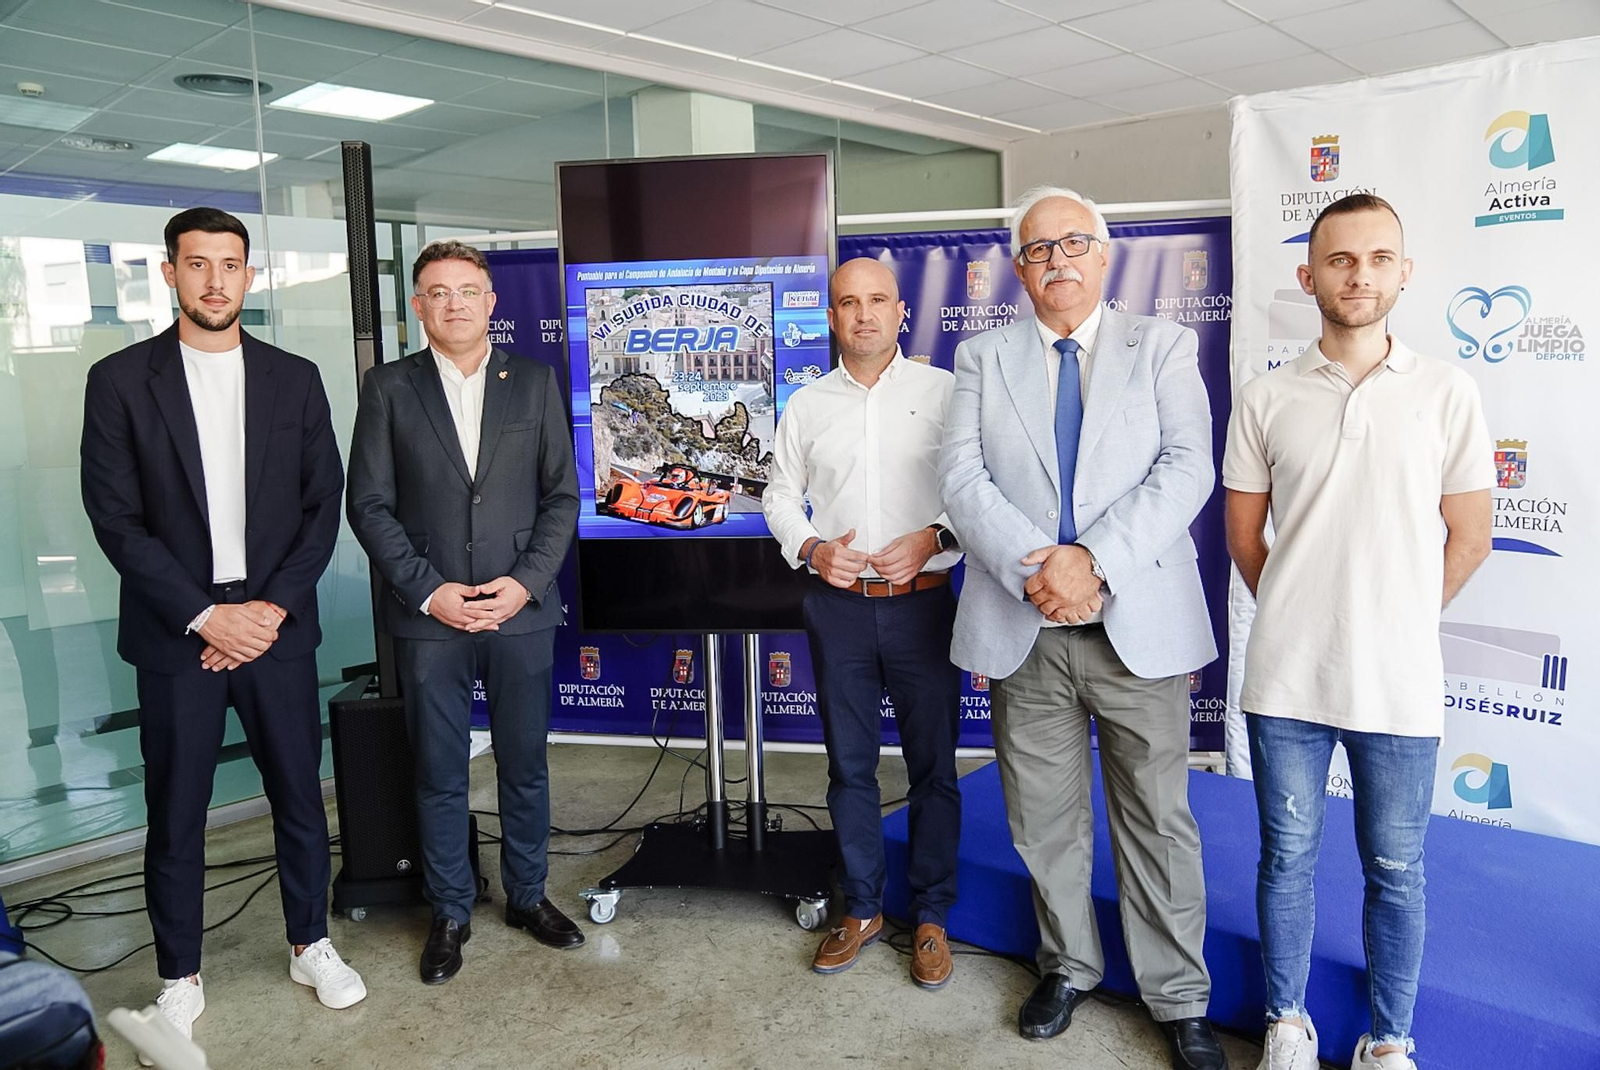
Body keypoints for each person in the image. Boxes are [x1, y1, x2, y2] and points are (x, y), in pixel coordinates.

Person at [940, 186, 1223, 1070]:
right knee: (1043, 819)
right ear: (1018, 268)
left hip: (1134, 618)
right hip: (1024, 623)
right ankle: (1068, 966)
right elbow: (960, 478)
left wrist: (1091, 561)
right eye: (1037, 249)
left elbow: (1187, 469)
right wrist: (1044, 569)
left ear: (1104, 257)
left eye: (1073, 244)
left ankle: (1178, 999)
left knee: (1158, 818)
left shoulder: (1165, 346)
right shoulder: (982, 355)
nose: (1056, 260)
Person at [79, 207, 364, 1051]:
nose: (214, 280)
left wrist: (265, 611)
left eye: (230, 264)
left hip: (276, 625)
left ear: (249, 275)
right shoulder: (121, 380)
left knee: (298, 799)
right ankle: (179, 974)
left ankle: (311, 943)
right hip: (180, 633)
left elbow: (323, 505)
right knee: (176, 812)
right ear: (168, 273)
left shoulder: (295, 377)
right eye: (197, 264)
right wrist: (207, 615)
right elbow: (115, 517)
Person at [1222, 194, 1492, 1070]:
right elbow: (1243, 538)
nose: (1360, 275)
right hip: (1286, 678)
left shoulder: (1449, 392)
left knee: (1397, 870)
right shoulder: (1265, 397)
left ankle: (1388, 1042)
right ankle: (1287, 1025)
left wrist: (1396, 614)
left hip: (1400, 677)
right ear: (1310, 275)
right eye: (1341, 260)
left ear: (1404, 272)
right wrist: (1308, 608)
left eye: (1379, 258)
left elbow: (1472, 537)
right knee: (1286, 857)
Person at [347, 240, 579, 985]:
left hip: (520, 610)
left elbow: (562, 499)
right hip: (430, 615)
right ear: (418, 306)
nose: (453, 303)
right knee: (440, 771)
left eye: (467, 290)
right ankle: (450, 910)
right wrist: (428, 589)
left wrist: (524, 583)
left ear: (491, 300)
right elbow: (370, 505)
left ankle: (530, 896)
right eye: (437, 292)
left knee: (525, 766)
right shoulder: (387, 388)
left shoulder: (535, 381)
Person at [763, 257, 963, 989]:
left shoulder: (946, 394)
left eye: (878, 300)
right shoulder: (808, 403)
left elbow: (977, 492)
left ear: (900, 311)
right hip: (840, 611)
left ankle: (933, 916)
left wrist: (936, 537)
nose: (865, 315)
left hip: (924, 609)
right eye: (849, 303)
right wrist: (812, 548)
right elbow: (779, 496)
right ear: (831, 317)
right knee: (849, 770)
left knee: (935, 771)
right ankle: (865, 910)